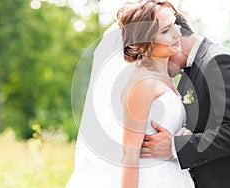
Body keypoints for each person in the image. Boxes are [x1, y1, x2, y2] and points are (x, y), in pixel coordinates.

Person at [66, 0, 195, 187]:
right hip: (151, 179)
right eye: (166, 31)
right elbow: (130, 156)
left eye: (174, 25)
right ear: (143, 44)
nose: (177, 33)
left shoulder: (165, 75)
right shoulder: (142, 85)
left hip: (173, 175)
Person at [141, 13, 230, 188]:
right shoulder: (189, 74)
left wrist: (175, 146)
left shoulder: (221, 61)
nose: (157, 63)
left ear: (176, 35)